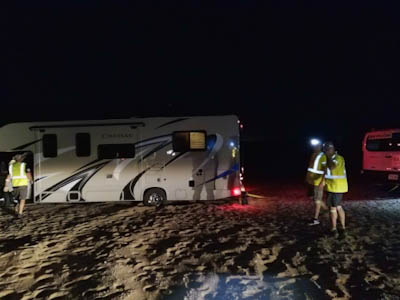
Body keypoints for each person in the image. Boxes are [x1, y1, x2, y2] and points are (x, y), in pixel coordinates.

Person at [323, 141, 348, 236]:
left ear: (332, 149)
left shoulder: (338, 158)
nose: (326, 152)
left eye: (327, 150)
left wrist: (328, 157)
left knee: (335, 207)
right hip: (331, 187)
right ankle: (338, 228)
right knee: (335, 207)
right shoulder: (329, 158)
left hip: (337, 187)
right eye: (325, 150)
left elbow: (332, 167)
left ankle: (336, 229)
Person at [306, 139, 328, 226]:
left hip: (318, 182)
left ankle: (316, 219)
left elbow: (325, 170)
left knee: (317, 200)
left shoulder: (323, 156)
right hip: (311, 181)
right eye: (313, 146)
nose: (314, 147)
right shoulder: (313, 154)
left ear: (320, 147)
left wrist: (322, 182)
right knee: (313, 198)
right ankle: (326, 209)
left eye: (316, 145)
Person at [6, 153, 32, 218]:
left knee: (16, 199)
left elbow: (8, 176)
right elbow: (28, 174)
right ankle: (20, 213)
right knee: (22, 199)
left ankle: (15, 210)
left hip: (14, 185)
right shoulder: (24, 165)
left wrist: (7, 185)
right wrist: (31, 180)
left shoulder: (11, 166)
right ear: (22, 159)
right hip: (23, 184)